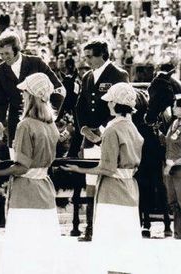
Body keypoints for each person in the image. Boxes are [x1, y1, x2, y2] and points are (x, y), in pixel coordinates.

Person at [0, 73, 62, 274]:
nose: (22, 96)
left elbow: (22, 166)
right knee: (43, 250)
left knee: (23, 251)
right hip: (45, 189)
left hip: (26, 192)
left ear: (31, 96)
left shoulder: (25, 125)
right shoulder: (51, 125)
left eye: (24, 92)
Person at [62, 82, 144, 273]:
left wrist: (78, 169)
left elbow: (107, 168)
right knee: (125, 245)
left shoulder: (112, 129)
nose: (108, 105)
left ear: (115, 103)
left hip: (112, 192)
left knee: (111, 246)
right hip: (130, 189)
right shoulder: (132, 128)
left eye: (110, 102)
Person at [74, 38, 129, 241]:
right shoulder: (87, 77)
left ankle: (110, 228)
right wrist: (84, 129)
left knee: (109, 180)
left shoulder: (119, 74)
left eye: (90, 56)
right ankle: (90, 228)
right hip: (90, 138)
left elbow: (122, 106)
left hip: (111, 136)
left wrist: (102, 131)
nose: (86, 60)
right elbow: (80, 106)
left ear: (102, 55)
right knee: (90, 181)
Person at [0, 31, 66, 146]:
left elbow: (59, 89)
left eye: (7, 53)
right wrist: (0, 122)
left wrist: (50, 115)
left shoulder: (36, 62)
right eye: (1, 54)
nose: (4, 58)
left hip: (41, 118)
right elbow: (1, 102)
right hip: (16, 121)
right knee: (17, 155)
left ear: (17, 49)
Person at [164, 93, 181, 239]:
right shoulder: (174, 123)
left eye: (176, 105)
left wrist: (172, 164)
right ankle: (178, 235)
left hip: (178, 170)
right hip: (172, 172)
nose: (174, 107)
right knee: (174, 203)